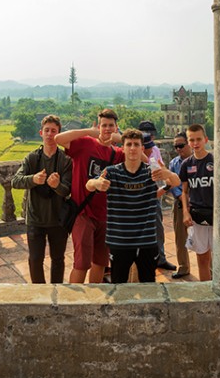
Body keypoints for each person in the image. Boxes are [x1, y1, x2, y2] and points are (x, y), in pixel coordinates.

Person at [88, 129, 178, 283]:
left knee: (148, 284)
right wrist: (96, 183)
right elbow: (89, 185)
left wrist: (168, 174)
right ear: (122, 148)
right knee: (118, 285)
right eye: (128, 144)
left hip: (147, 241)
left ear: (142, 148)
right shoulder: (112, 172)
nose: (132, 148)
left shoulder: (152, 172)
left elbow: (176, 181)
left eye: (136, 144)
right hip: (119, 241)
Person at [54, 109, 124, 284]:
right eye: (104, 125)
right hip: (83, 213)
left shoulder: (118, 154)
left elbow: (142, 159)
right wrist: (88, 131)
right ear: (98, 127)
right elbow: (58, 139)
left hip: (106, 215)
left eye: (111, 126)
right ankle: (74, 299)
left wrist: (120, 139)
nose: (107, 129)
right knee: (82, 263)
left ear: (116, 128)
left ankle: (95, 296)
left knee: (100, 262)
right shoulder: (85, 144)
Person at [12, 115, 73, 283]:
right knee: (35, 259)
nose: (50, 134)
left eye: (54, 131)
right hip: (35, 218)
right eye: (47, 130)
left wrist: (57, 185)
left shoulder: (65, 160)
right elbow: (15, 181)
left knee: (58, 259)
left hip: (58, 219)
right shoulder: (32, 158)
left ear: (59, 134)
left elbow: (67, 190)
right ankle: (39, 292)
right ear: (41, 133)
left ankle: (56, 289)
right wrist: (33, 179)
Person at [179, 124, 214, 281]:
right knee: (202, 258)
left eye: (198, 139)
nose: (195, 143)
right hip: (198, 216)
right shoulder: (186, 164)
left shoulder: (215, 161)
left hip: (217, 216)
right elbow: (184, 191)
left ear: (205, 139)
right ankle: (205, 289)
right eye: (191, 140)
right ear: (188, 142)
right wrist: (185, 212)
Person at [140, 126, 176, 273]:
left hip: (154, 197)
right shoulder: (132, 161)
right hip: (138, 202)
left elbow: (165, 174)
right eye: (147, 148)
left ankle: (160, 259)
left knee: (158, 229)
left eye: (150, 147)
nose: (150, 150)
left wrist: (167, 183)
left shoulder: (153, 154)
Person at [167, 133, 192, 279]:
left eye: (181, 146)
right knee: (180, 237)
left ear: (189, 144)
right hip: (179, 202)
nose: (178, 149)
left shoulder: (198, 160)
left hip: (198, 202)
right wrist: (181, 198)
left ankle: (211, 269)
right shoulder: (174, 163)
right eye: (175, 146)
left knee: (205, 237)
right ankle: (183, 267)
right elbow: (172, 183)